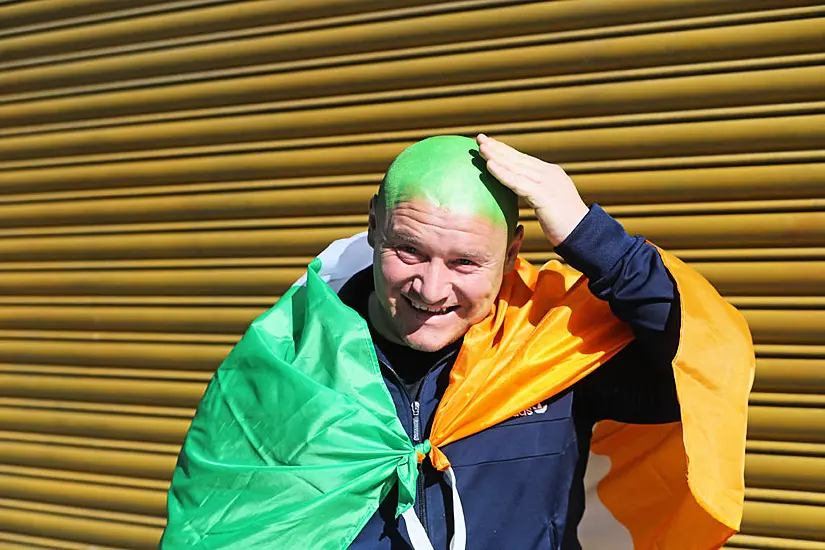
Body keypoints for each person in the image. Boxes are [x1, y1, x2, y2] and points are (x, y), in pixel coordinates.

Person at [161, 135, 754, 550]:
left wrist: (589, 236)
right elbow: (218, 525)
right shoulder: (289, 360)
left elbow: (699, 362)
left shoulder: (550, 351)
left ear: (514, 254)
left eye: (466, 262)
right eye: (408, 250)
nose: (431, 288)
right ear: (373, 225)